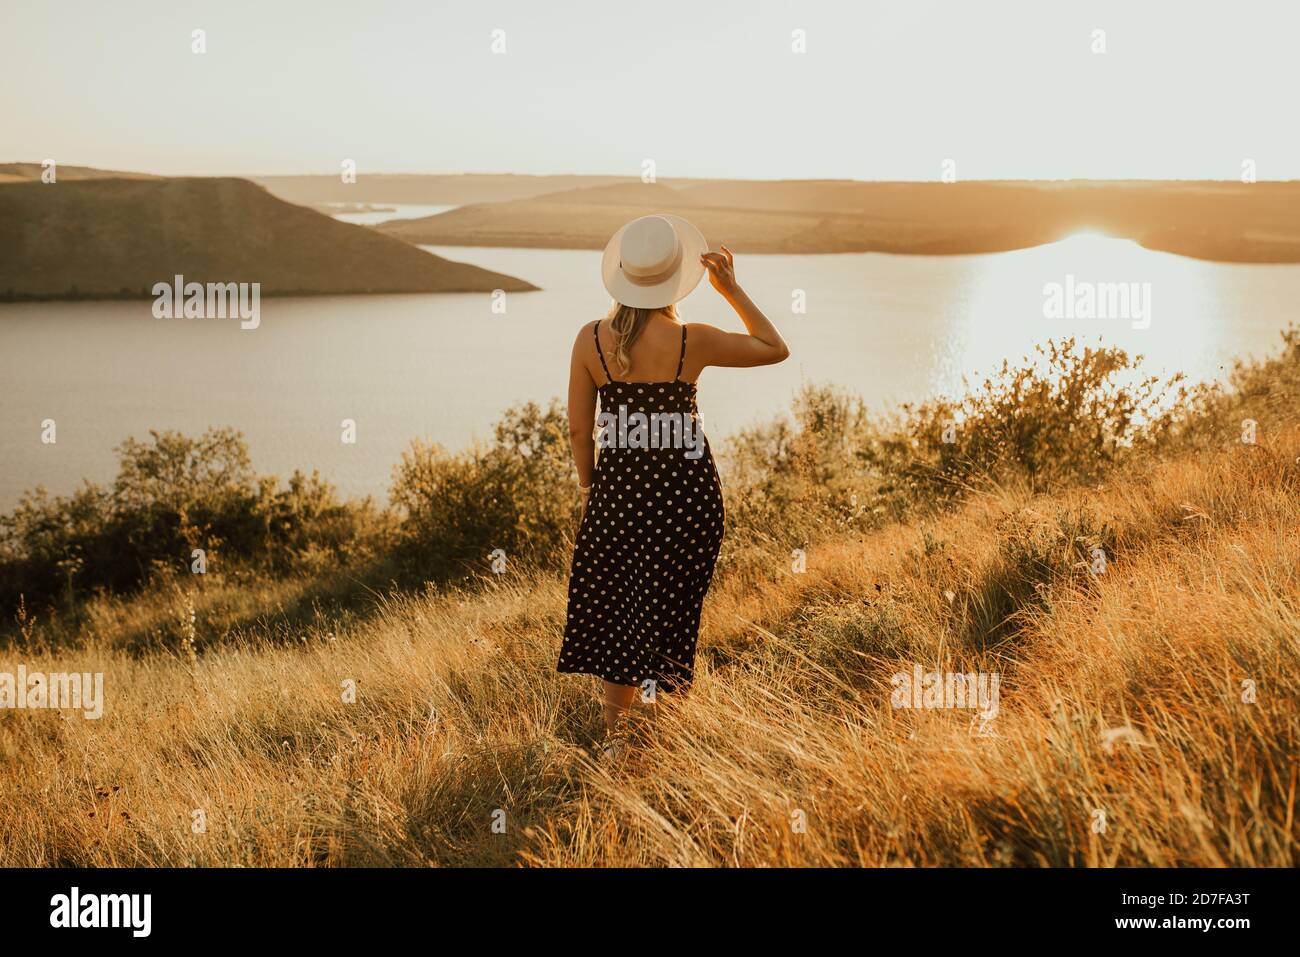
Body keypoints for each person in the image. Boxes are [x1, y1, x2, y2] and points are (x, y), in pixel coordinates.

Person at [556, 213, 790, 760]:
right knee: (673, 610)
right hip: (688, 501)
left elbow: (577, 429)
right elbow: (773, 347)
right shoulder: (691, 341)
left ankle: (617, 739)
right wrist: (731, 289)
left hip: (617, 499)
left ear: (621, 275)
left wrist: (592, 490)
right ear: (675, 278)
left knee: (617, 609)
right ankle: (668, 730)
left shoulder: (590, 340)